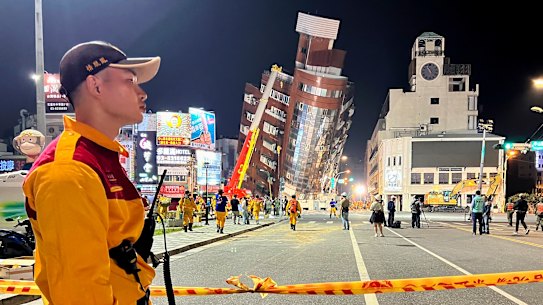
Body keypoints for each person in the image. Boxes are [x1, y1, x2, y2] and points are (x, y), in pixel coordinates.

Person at [22, 41, 160, 304]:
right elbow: (82, 293)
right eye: (130, 81)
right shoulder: (69, 170)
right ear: (96, 86)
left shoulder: (98, 156)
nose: (142, 93)